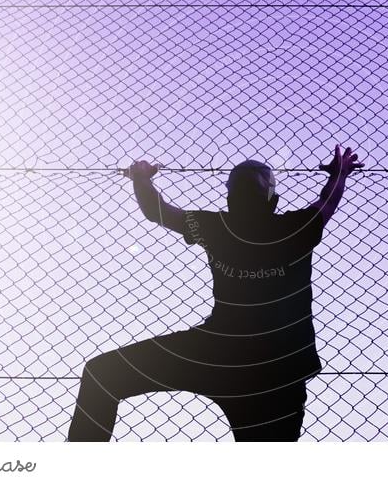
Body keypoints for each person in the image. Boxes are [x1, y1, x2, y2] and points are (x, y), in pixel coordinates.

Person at [67, 145, 364, 441]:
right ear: (273, 201)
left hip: (217, 354)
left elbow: (156, 211)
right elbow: (327, 203)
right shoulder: (295, 228)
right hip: (278, 369)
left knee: (103, 375)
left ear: (229, 198)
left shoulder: (217, 227)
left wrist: (141, 177)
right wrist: (339, 175)